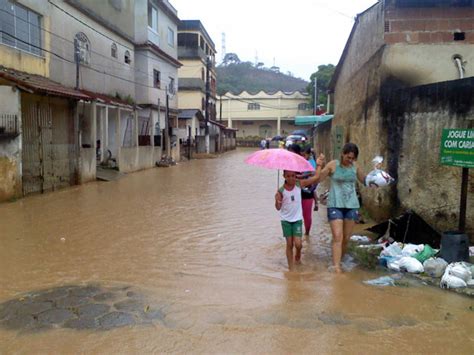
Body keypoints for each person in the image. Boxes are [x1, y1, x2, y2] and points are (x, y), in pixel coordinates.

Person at [310, 143, 368, 273]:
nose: (350, 160)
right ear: (343, 153)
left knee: (346, 239)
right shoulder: (333, 165)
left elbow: (365, 180)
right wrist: (319, 164)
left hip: (351, 206)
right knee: (337, 236)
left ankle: (339, 260)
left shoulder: (355, 167)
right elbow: (317, 179)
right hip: (335, 204)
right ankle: (336, 267)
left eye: (353, 158)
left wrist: (378, 177)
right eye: (348, 157)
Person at [275, 169, 320, 271]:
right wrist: (277, 200)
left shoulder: (299, 184)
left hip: (297, 220)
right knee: (289, 244)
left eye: (293, 176)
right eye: (288, 176)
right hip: (286, 220)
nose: (291, 178)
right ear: (284, 176)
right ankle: (291, 268)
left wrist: (319, 165)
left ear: (296, 176)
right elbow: (278, 208)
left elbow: (316, 178)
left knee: (298, 244)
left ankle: (298, 256)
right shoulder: (281, 191)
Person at [297, 146, 317, 237]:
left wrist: (299, 176)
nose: (302, 157)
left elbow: (310, 174)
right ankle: (302, 234)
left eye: (304, 155)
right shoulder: (302, 162)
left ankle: (307, 233)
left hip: (308, 189)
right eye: (301, 155)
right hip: (301, 189)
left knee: (307, 215)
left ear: (308, 154)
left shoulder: (311, 163)